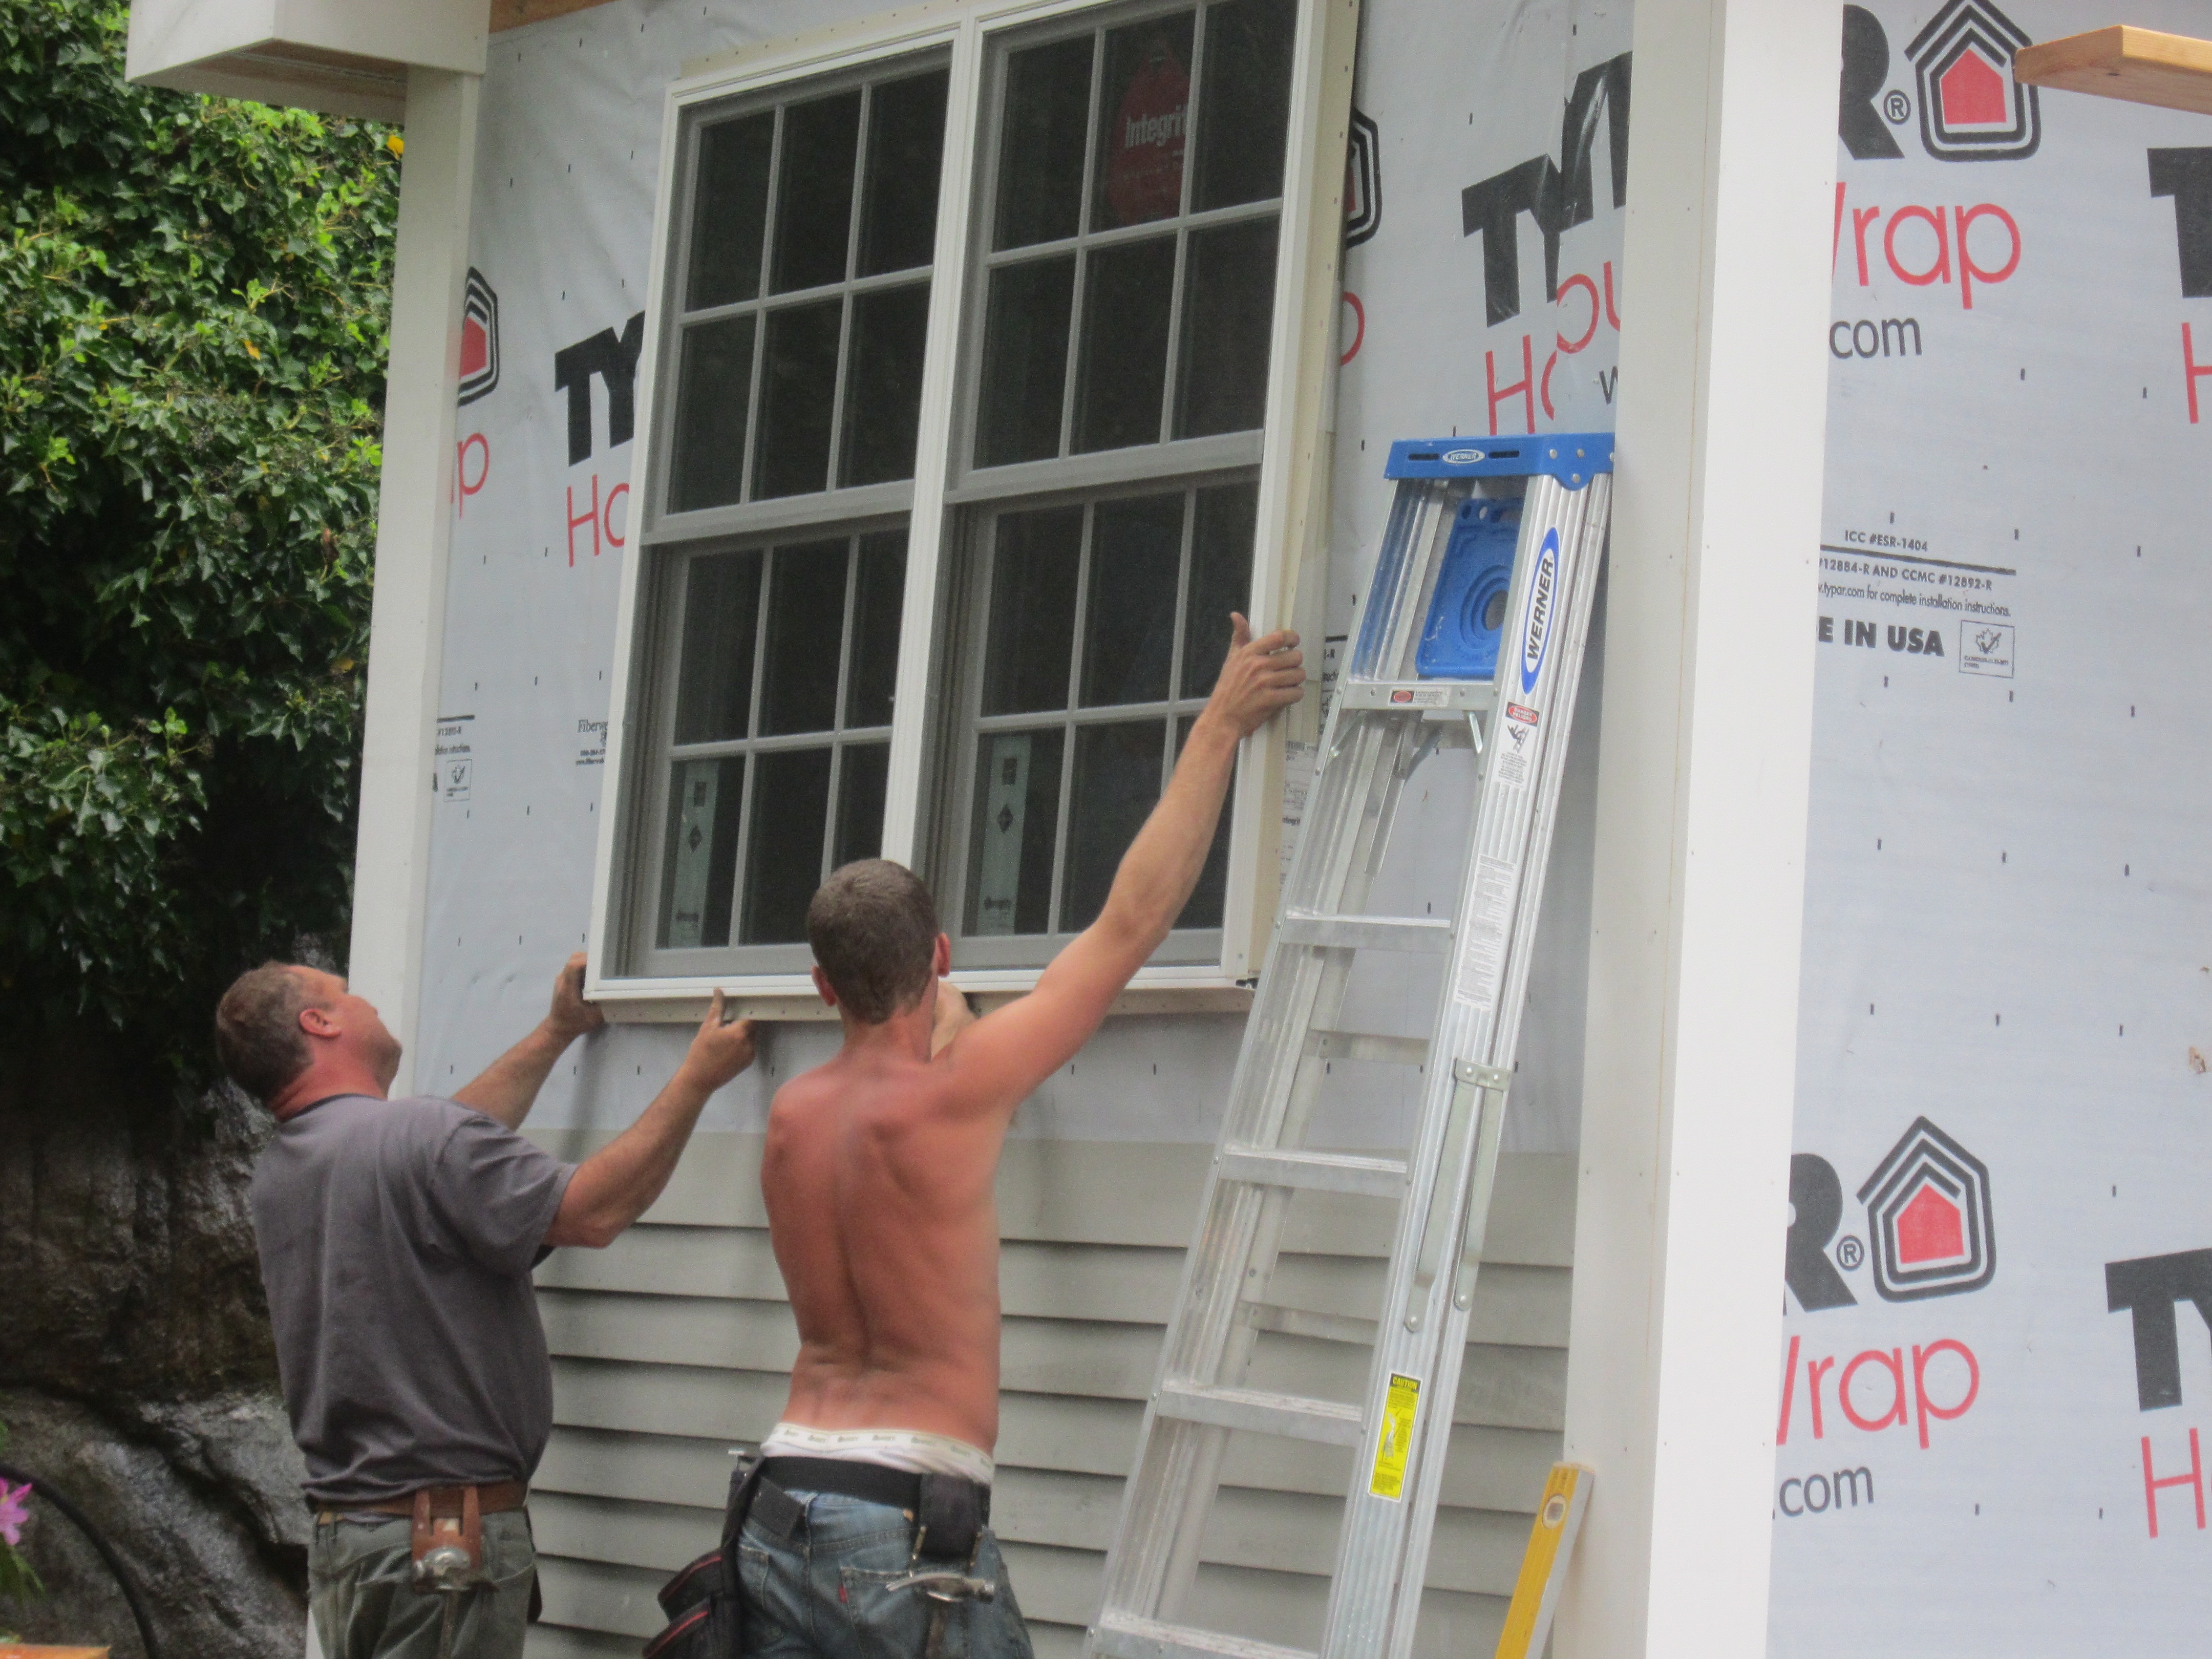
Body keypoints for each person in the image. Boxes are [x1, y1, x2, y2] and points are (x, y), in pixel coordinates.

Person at [738, 614, 1304, 1659]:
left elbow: (891, 1093)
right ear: (943, 955)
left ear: (822, 988)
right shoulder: (960, 1093)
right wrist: (1220, 724)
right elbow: (1130, 924)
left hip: (780, 1504)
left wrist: (943, 1025)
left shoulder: (791, 1118)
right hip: (905, 1520)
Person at [214, 952, 757, 1659]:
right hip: (436, 1549)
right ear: (319, 1023)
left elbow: (446, 1146)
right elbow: (590, 1212)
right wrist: (696, 1078)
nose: (368, 1002)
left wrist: (556, 1032)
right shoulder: (417, 1141)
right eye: (346, 994)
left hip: (351, 1542)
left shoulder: (288, 1168)